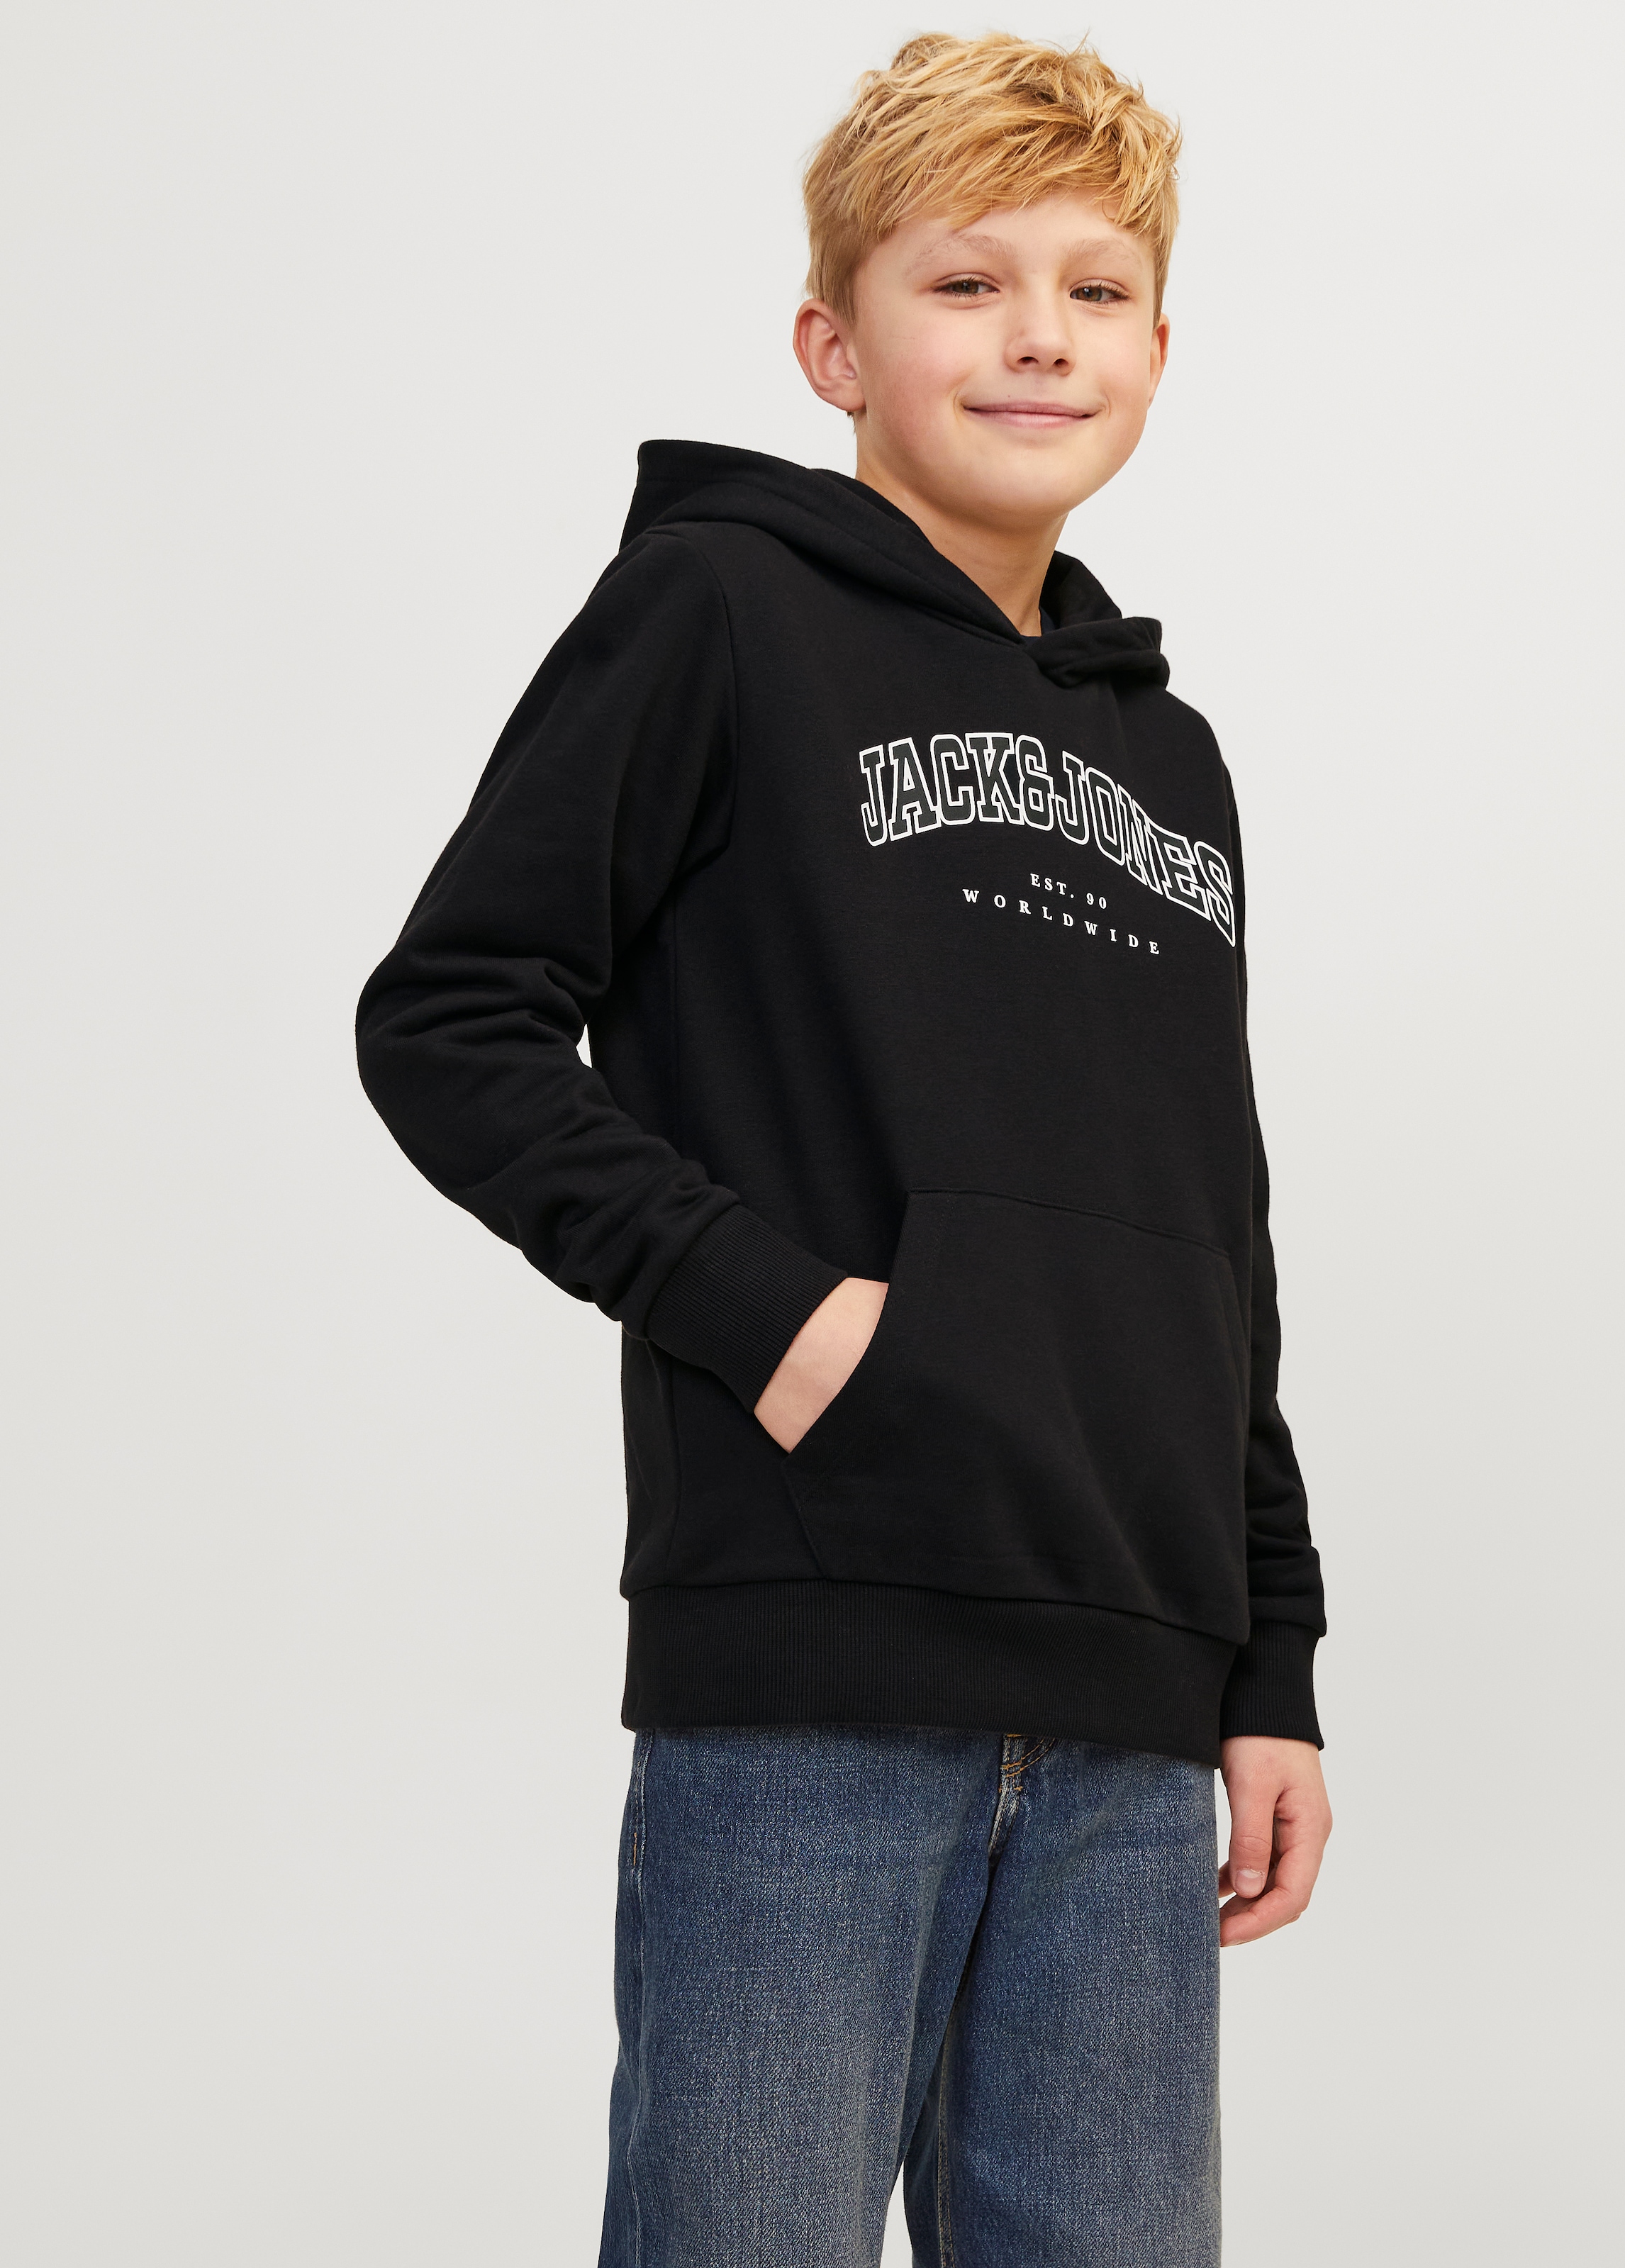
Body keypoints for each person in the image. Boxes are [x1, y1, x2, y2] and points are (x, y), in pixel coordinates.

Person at [356, 30, 1330, 2267]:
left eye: (1096, 290)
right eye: (967, 283)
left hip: (1132, 1712)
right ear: (836, 345)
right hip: (818, 1669)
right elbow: (452, 1020)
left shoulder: (1171, 757)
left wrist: (1266, 1661)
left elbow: (1218, 1229)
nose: (1039, 337)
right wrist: (782, 1321)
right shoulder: (718, 613)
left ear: (1159, 349)